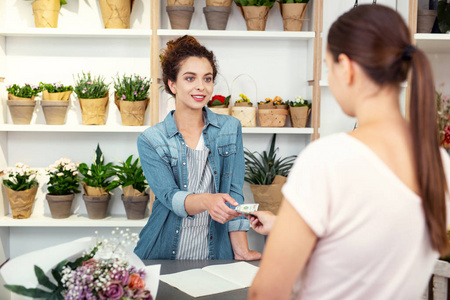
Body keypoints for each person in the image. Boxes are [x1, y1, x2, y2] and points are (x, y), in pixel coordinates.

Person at [249, 5, 450, 299]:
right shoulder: (441, 166)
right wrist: (286, 227)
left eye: (329, 67)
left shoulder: (328, 160)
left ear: (347, 67)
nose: (330, 77)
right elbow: (374, 241)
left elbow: (265, 293)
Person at [134, 35, 261, 261]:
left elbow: (234, 193)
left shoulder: (230, 129)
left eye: (208, 78)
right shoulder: (151, 139)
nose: (201, 86)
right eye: (190, 78)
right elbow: (170, 197)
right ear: (172, 85)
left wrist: (241, 250)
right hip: (162, 251)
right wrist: (207, 201)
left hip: (216, 250)